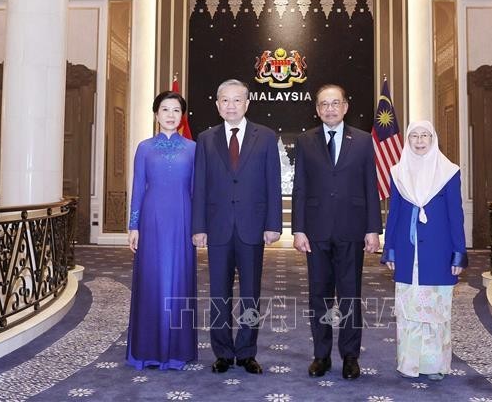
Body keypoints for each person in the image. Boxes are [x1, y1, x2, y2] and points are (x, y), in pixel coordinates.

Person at [292, 84, 382, 380]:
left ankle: (350, 356)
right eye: (323, 104)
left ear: (345, 106)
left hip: (352, 229)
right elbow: (300, 188)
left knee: (349, 296)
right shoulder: (305, 141)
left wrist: (373, 228)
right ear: (317, 109)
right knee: (319, 295)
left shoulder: (365, 140)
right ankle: (321, 355)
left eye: (335, 103)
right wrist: (298, 229)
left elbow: (371, 186)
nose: (329, 109)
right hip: (316, 232)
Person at [192, 79, 282, 375]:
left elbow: (272, 183)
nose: (231, 105)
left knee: (250, 292)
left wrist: (273, 225)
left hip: (252, 227)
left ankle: (246, 351)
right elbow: (200, 185)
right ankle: (221, 352)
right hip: (217, 228)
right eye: (225, 100)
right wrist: (198, 226)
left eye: (236, 100)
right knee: (218, 293)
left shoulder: (266, 136)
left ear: (247, 103)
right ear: (217, 105)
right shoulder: (205, 139)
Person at [381, 120, 467, 381]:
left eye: (425, 135)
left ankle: (434, 365)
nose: (419, 140)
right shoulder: (398, 173)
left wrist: (458, 253)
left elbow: (456, 215)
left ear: (433, 139)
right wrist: (390, 250)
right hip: (408, 252)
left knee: (436, 311)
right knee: (409, 309)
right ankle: (409, 363)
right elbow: (394, 214)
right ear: (407, 141)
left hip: (439, 253)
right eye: (414, 136)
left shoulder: (449, 172)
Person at [126, 91, 197, 370]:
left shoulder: (193, 148)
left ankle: (177, 352)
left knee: (179, 281)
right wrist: (134, 225)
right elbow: (138, 189)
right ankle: (147, 351)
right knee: (151, 281)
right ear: (156, 114)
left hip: (183, 221)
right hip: (151, 221)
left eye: (176, 110)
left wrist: (198, 227)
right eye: (165, 109)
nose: (170, 115)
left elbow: (196, 191)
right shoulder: (144, 147)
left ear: (182, 116)